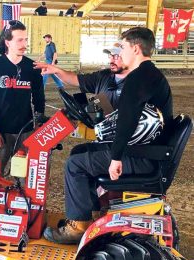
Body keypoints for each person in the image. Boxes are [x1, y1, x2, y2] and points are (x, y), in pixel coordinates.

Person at [43, 27, 173, 244]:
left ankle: (78, 227)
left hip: (141, 157)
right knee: (80, 151)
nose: (119, 52)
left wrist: (116, 158)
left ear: (135, 48)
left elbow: (127, 120)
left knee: (75, 164)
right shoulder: (149, 75)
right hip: (147, 151)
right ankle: (92, 214)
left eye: (122, 47)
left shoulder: (139, 78)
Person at [0, 20, 45, 174]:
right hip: (0, 131)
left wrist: (38, 125)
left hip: (25, 131)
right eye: (19, 40)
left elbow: (39, 99)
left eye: (26, 40)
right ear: (7, 42)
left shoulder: (32, 68)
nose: (24, 44)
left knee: (24, 177)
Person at [35, 42, 129, 110]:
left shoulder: (137, 82)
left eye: (116, 56)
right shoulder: (104, 75)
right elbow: (75, 79)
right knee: (80, 100)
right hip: (103, 128)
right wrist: (55, 70)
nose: (111, 61)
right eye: (110, 56)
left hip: (123, 133)